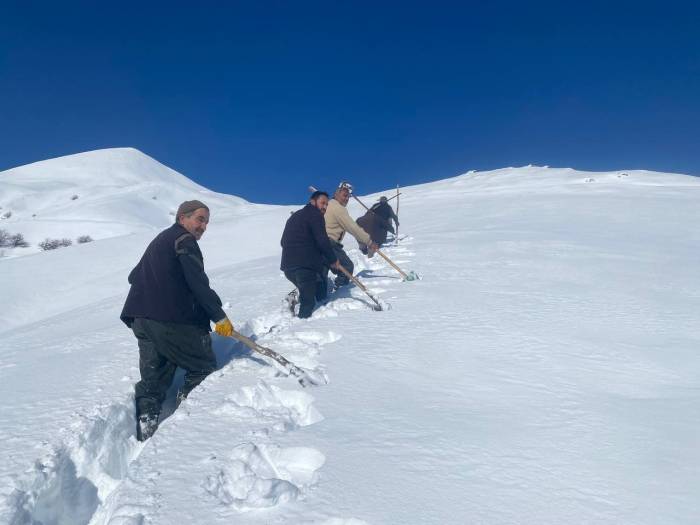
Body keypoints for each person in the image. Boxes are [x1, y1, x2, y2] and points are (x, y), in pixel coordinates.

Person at [120, 200, 234, 441]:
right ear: (182, 218)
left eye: (206, 222)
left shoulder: (161, 239)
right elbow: (197, 283)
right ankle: (186, 414)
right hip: (168, 319)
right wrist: (219, 316)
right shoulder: (184, 240)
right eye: (199, 219)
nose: (203, 226)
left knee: (154, 377)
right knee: (202, 365)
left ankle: (147, 425)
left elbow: (133, 276)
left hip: (140, 318)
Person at [280, 190, 341, 318]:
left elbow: (282, 241)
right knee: (308, 304)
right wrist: (333, 259)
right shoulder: (316, 215)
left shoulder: (294, 216)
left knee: (317, 290)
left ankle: (297, 295)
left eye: (326, 205)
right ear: (312, 201)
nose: (324, 207)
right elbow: (322, 240)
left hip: (288, 267)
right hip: (304, 267)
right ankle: (300, 328)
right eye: (322, 203)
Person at [324, 181, 379, 287]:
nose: (346, 199)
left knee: (320, 281)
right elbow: (353, 227)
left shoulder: (328, 205)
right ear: (336, 193)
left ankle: (302, 293)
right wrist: (369, 241)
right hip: (329, 244)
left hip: (318, 244)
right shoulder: (338, 208)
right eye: (344, 195)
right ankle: (339, 290)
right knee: (347, 267)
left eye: (348, 197)